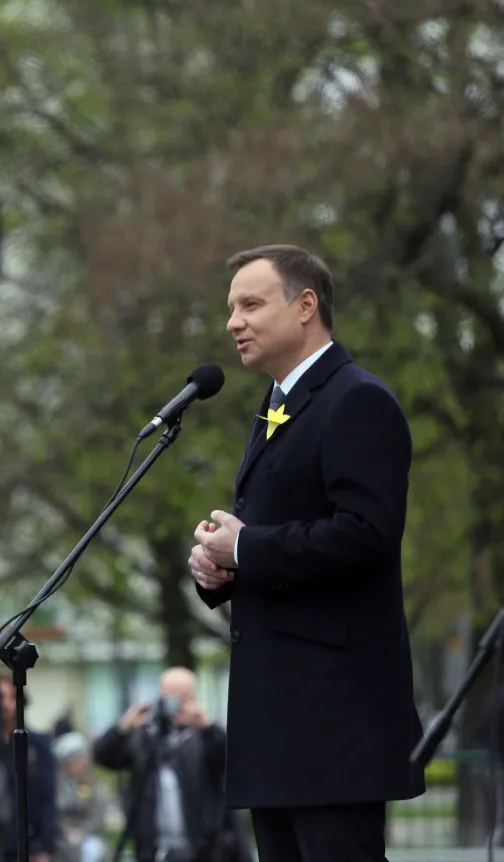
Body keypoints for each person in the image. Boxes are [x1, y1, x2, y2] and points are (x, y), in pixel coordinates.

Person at [189, 244, 424, 861]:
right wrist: (219, 569)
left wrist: (247, 545)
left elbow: (366, 535)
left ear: (305, 307)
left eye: (251, 304)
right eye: (230, 308)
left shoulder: (356, 401)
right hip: (278, 730)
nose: (233, 321)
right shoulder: (276, 407)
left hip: (333, 729)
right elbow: (280, 546)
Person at [92, 668, 233, 862]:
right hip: (152, 847)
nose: (176, 705)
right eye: (170, 697)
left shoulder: (205, 737)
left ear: (194, 696)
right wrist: (123, 727)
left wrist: (206, 726)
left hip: (203, 846)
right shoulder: (146, 737)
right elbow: (103, 757)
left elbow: (230, 761)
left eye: (183, 697)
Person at [0, 672, 58, 862]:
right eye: (0, 697)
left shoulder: (37, 745)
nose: (6, 705)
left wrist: (45, 848)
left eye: (13, 697)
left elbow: (48, 797)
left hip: (26, 846)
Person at [51, 733, 109, 862]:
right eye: (73, 760)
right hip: (60, 838)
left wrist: (81, 832)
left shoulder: (92, 784)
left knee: (94, 849)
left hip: (86, 836)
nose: (78, 764)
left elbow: (97, 814)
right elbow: (53, 811)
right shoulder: (57, 783)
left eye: (81, 759)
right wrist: (66, 831)